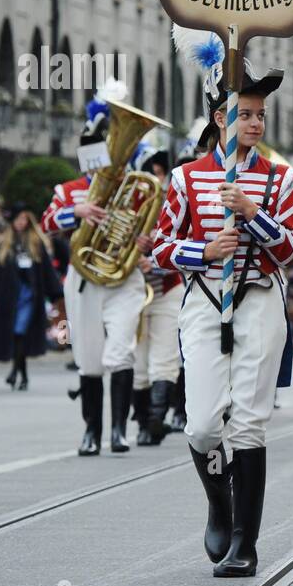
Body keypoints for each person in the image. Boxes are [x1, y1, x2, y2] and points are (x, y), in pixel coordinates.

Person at [154, 43, 293, 578]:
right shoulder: (186, 177)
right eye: (245, 113)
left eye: (261, 114)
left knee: (250, 427)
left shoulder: (281, 178)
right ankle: (220, 501)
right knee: (201, 426)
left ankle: (245, 541)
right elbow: (160, 247)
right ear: (220, 119)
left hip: (259, 300)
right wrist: (202, 251)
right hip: (203, 301)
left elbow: (289, 249)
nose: (255, 122)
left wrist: (254, 215)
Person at [42, 81, 147, 456]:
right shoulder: (69, 189)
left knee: (121, 350)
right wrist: (79, 211)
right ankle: (92, 431)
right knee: (88, 356)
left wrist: (144, 240)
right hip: (84, 278)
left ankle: (118, 430)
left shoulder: (135, 188)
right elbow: (48, 222)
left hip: (124, 277)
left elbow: (160, 224)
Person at [130, 148, 183, 446]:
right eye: (152, 171)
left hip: (167, 289)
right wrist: (130, 246)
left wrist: (158, 258)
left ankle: (155, 421)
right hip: (133, 290)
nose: (157, 178)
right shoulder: (125, 205)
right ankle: (141, 423)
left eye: (161, 172)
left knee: (165, 359)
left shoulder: (174, 202)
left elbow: (187, 244)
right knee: (138, 362)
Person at [0, 203, 63, 389]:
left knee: (20, 332)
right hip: (10, 296)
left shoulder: (36, 242)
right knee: (16, 335)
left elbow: (46, 270)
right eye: (19, 219)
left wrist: (55, 293)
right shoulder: (4, 243)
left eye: (25, 219)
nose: (21, 223)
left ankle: (14, 373)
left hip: (30, 296)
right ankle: (22, 375)